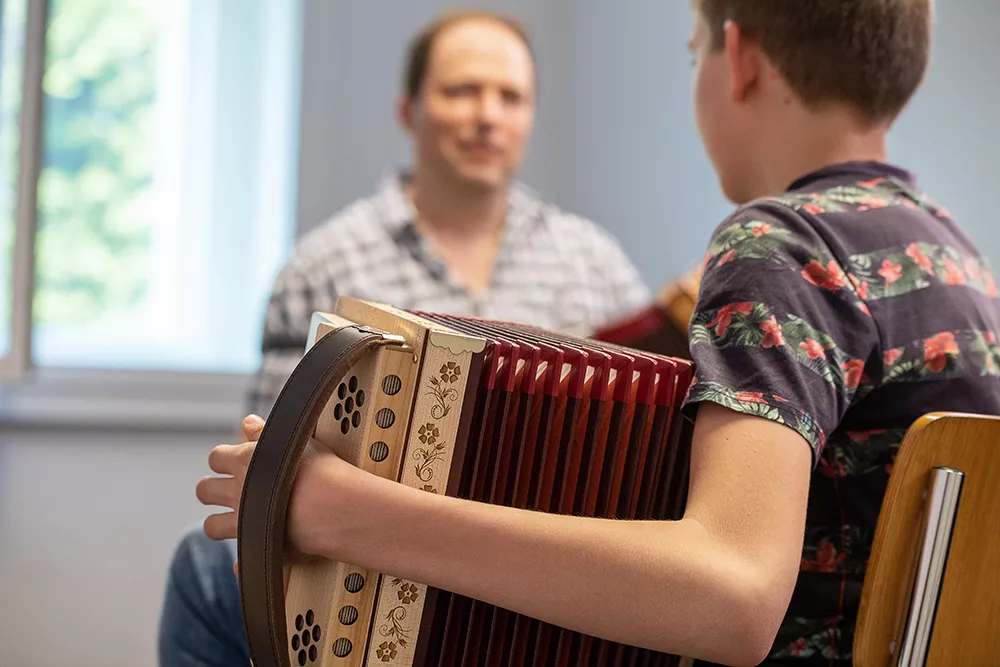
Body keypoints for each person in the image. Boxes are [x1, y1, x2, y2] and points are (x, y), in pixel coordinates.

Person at [199, 0, 1000, 665]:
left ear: (740, 56)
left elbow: (731, 593)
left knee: (202, 576)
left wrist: (348, 512)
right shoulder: (959, 259)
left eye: (695, 55)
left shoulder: (779, 247)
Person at [159, 10, 650, 667]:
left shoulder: (596, 262)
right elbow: (276, 463)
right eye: (461, 91)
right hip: (375, 570)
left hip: (546, 572)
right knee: (205, 562)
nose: (488, 115)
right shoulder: (324, 264)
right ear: (408, 110)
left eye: (511, 97)